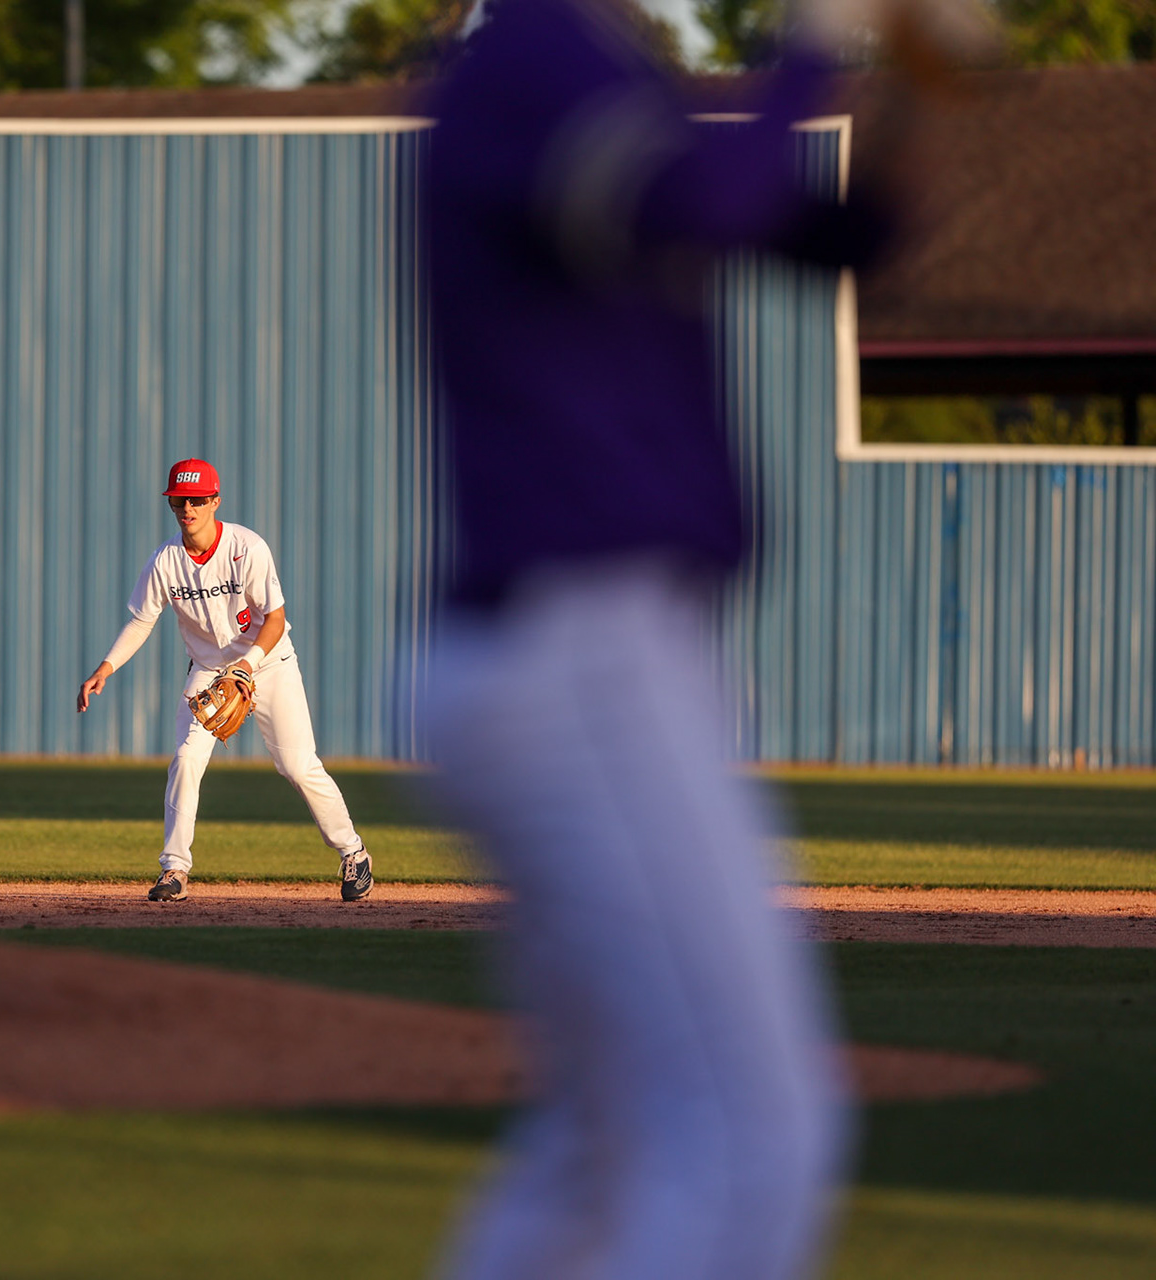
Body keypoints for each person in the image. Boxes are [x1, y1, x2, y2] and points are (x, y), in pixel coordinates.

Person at [418, 0, 986, 1275]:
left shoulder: (587, 70)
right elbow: (708, 201)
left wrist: (916, 89)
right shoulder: (529, 56)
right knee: (752, 1136)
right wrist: (812, 54)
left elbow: (832, 234)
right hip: (585, 650)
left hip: (570, 651)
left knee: (604, 1145)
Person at [77, 459, 372, 903]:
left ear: (215, 501)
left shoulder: (246, 547)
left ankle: (354, 853)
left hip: (268, 663)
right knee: (186, 760)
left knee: (298, 766)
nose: (188, 507)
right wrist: (106, 667)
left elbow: (275, 619)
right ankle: (174, 870)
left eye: (197, 499)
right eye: (180, 499)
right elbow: (142, 621)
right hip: (209, 672)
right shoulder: (165, 560)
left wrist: (247, 666)